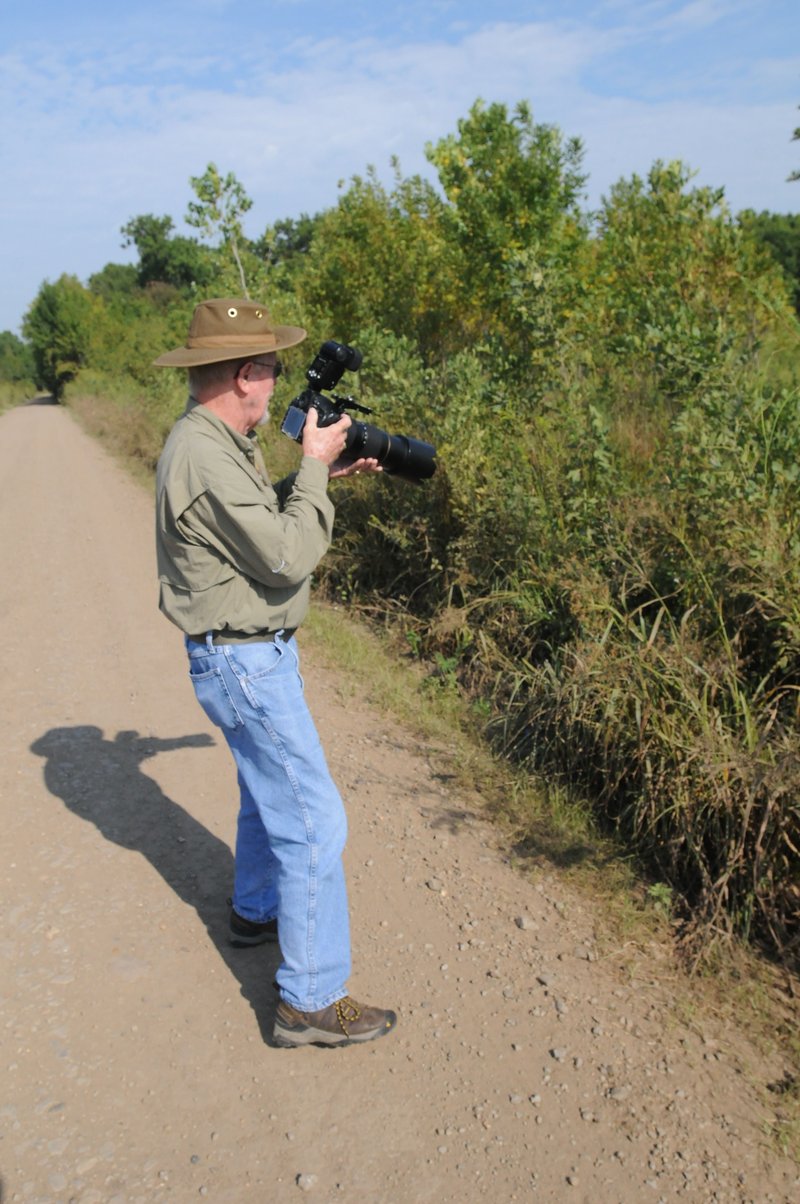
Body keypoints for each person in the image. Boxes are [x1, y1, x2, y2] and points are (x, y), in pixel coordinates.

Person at [153, 297, 397, 1048]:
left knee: (269, 795)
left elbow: (259, 533)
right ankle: (310, 1000)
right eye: (272, 368)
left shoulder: (219, 440)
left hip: (246, 654)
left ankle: (256, 911)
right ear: (247, 374)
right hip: (243, 659)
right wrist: (316, 471)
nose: (280, 385)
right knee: (315, 818)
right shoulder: (203, 452)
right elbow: (288, 557)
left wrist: (320, 477)